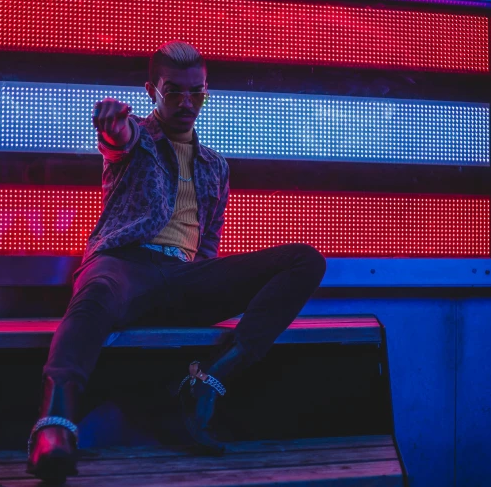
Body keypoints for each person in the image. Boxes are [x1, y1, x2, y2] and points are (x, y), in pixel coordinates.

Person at [26, 41, 327, 482]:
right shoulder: (139, 140)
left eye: (196, 93)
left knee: (305, 260)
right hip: (125, 264)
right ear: (153, 91)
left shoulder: (215, 166)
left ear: (206, 91)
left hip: (185, 276)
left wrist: (207, 280)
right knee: (95, 293)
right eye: (173, 93)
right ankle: (54, 427)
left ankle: (210, 380)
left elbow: (209, 243)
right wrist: (112, 127)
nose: (186, 103)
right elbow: (117, 141)